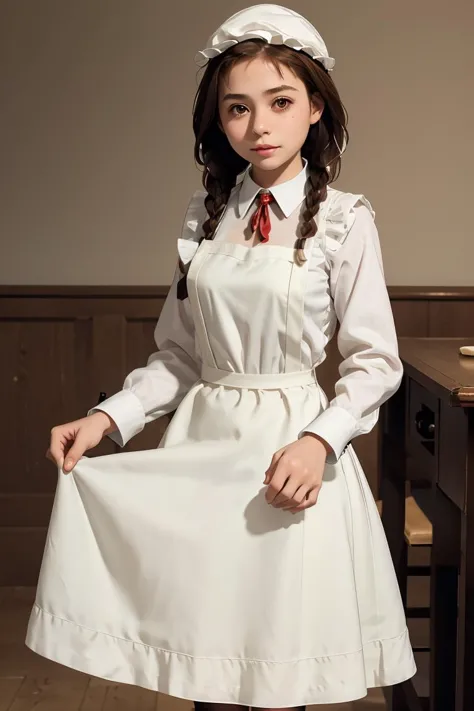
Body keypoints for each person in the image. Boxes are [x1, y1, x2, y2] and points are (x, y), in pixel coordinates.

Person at [26, 4, 417, 709]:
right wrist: (107, 420)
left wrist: (317, 442)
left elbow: (374, 363)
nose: (258, 125)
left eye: (280, 102)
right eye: (238, 108)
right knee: (210, 670)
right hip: (203, 452)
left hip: (289, 456)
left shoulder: (344, 220)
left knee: (274, 674)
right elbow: (177, 355)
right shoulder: (204, 215)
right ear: (220, 119)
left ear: (315, 107)